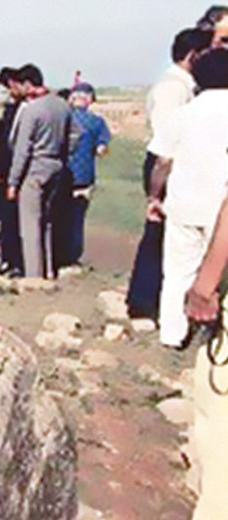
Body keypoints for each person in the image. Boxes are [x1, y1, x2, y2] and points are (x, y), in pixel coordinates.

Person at [127, 28, 213, 319]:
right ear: (193, 56)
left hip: (175, 162)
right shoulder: (173, 89)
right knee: (159, 232)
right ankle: (143, 301)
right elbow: (167, 141)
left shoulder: (184, 85)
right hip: (168, 162)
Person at [147, 49, 228, 349]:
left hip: (183, 202)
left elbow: (162, 163)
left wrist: (154, 196)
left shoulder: (183, 114)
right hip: (220, 206)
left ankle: (172, 334)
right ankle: (214, 334)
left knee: (178, 271)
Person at [6, 64, 76, 279]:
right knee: (47, 221)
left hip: (34, 168)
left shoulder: (33, 110)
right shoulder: (63, 106)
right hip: (56, 165)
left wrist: (13, 182)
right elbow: (75, 136)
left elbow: (22, 149)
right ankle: (48, 269)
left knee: (30, 225)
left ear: (28, 84)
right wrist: (63, 154)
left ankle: (34, 275)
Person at [61, 82, 111, 270]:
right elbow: (102, 149)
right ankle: (73, 256)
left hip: (62, 175)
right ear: (90, 100)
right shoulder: (97, 122)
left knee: (60, 216)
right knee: (77, 219)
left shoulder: (64, 117)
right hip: (84, 177)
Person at [0, 68, 25, 276]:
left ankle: (18, 262)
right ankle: (7, 259)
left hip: (22, 171)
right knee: (7, 217)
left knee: (18, 218)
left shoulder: (27, 109)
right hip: (7, 169)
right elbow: (2, 143)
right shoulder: (9, 111)